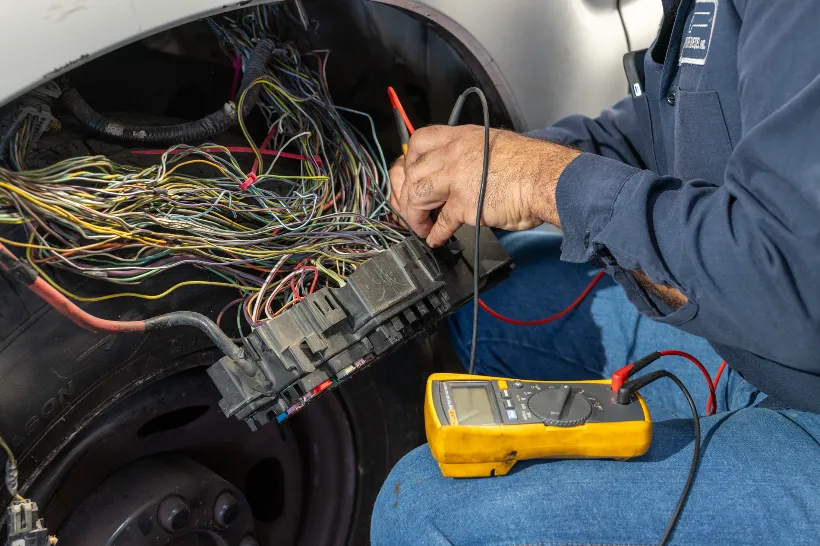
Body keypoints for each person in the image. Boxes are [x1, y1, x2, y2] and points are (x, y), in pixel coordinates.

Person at [370, 0, 820, 544]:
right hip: (757, 350)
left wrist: (545, 181)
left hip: (790, 347)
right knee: (486, 315)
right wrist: (497, 164)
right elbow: (655, 131)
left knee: (424, 508)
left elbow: (781, 279)